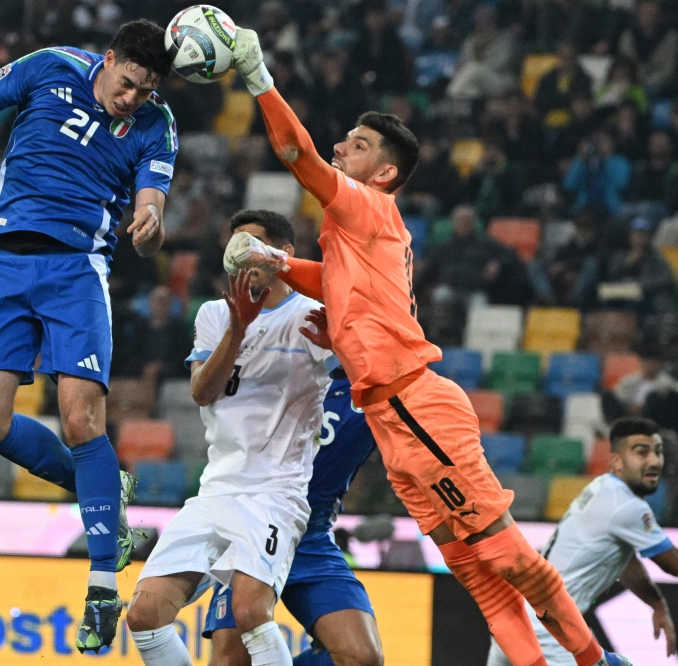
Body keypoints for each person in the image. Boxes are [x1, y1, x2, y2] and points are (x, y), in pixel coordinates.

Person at [224, 29, 631, 666]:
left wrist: (257, 76)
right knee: (479, 579)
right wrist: (277, 260)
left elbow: (295, 151)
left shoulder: (369, 208)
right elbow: (331, 280)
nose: (339, 149)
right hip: (392, 422)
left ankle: (592, 662)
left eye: (355, 146)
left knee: (509, 558)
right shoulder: (349, 236)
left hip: (417, 406)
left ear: (383, 172)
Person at [0, 19, 176, 652]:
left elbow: (151, 202)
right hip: (4, 264)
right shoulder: (49, 65)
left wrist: (150, 224)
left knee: (82, 423)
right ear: (107, 61)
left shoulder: (156, 124)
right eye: (128, 83)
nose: (132, 99)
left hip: (77, 269)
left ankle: (103, 584)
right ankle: (104, 490)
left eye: (146, 89)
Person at [125, 211, 337, 666]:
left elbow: (363, 373)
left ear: (285, 256)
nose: (242, 258)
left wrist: (343, 344)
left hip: (273, 493)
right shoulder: (214, 314)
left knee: (249, 612)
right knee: (143, 614)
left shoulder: (310, 313)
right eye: (235, 246)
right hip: (217, 489)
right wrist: (238, 330)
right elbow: (203, 391)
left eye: (254, 246)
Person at [202, 364, 382, 666]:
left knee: (362, 658)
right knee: (230, 662)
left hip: (312, 536)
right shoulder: (280, 363)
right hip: (254, 528)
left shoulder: (381, 389)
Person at [487, 417, 678, 665]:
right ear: (617, 461)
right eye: (642, 453)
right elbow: (671, 564)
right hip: (551, 633)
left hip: (516, 620)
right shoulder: (627, 507)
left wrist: (656, 603)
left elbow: (625, 561)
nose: (654, 461)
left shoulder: (602, 486)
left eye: (658, 452)